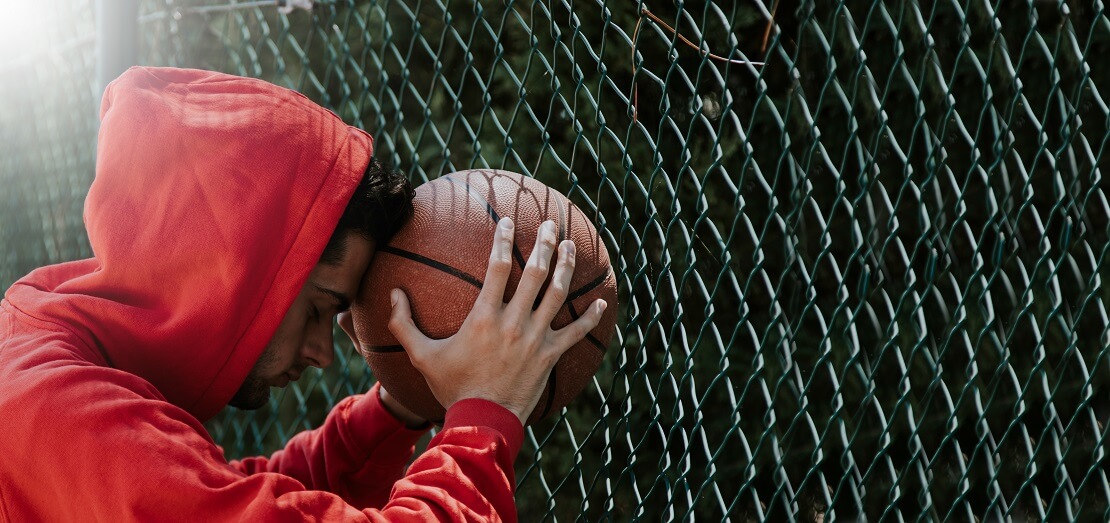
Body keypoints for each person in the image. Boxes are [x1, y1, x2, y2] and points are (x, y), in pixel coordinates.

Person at [0, 66, 606, 521]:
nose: (322, 351)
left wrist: (399, 409)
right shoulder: (56, 418)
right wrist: (484, 414)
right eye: (319, 307)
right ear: (235, 271)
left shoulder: (45, 356)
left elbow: (229, 496)